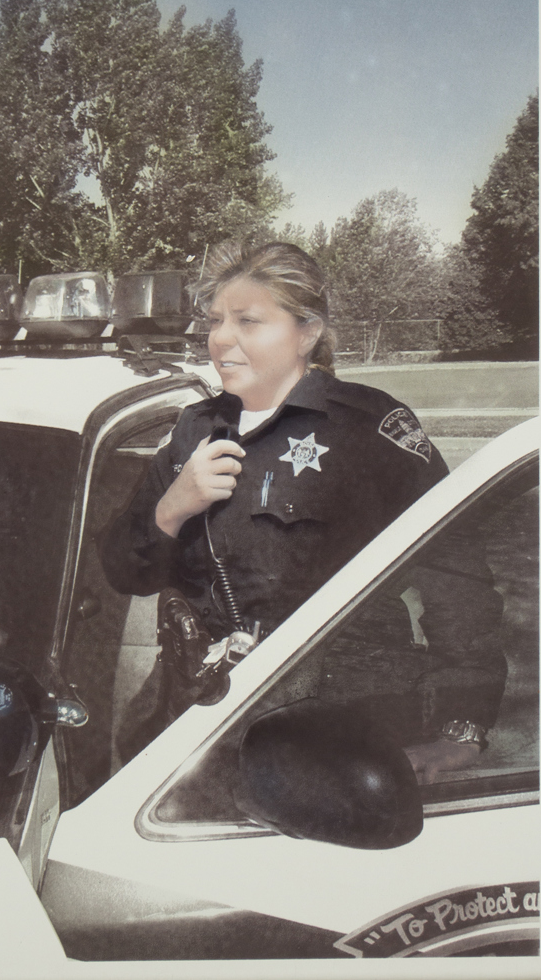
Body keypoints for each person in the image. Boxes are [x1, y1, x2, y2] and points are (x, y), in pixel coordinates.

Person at [100, 240, 506, 779]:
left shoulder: (370, 427)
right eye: (216, 320)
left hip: (336, 722)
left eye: (248, 321)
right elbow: (126, 571)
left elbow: (456, 580)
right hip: (200, 721)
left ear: (307, 332)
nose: (221, 339)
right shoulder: (193, 430)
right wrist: (171, 509)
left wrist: (463, 729)